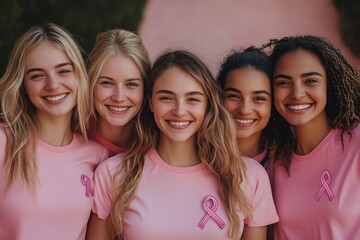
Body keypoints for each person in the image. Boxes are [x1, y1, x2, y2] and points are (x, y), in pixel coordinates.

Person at [86, 50, 278, 240]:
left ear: (207, 106)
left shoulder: (249, 177)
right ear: (151, 103)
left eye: (192, 99)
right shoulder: (114, 174)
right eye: (166, 98)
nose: (179, 111)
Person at [0, 22, 108, 240]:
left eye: (63, 71)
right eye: (37, 75)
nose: (53, 84)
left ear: (79, 76)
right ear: (23, 85)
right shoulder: (3, 142)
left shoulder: (97, 156)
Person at [265, 35, 360, 239]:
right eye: (283, 82)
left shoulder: (357, 144)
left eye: (310, 81)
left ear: (329, 84)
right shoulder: (274, 164)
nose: (297, 93)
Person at [87, 28, 151, 157]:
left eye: (131, 84)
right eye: (107, 83)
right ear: (91, 83)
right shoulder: (71, 135)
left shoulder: (157, 145)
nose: (119, 97)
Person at [217, 47, 273, 166]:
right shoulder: (197, 157)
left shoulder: (284, 163)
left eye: (258, 98)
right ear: (219, 97)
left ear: (273, 104)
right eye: (234, 96)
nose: (244, 110)